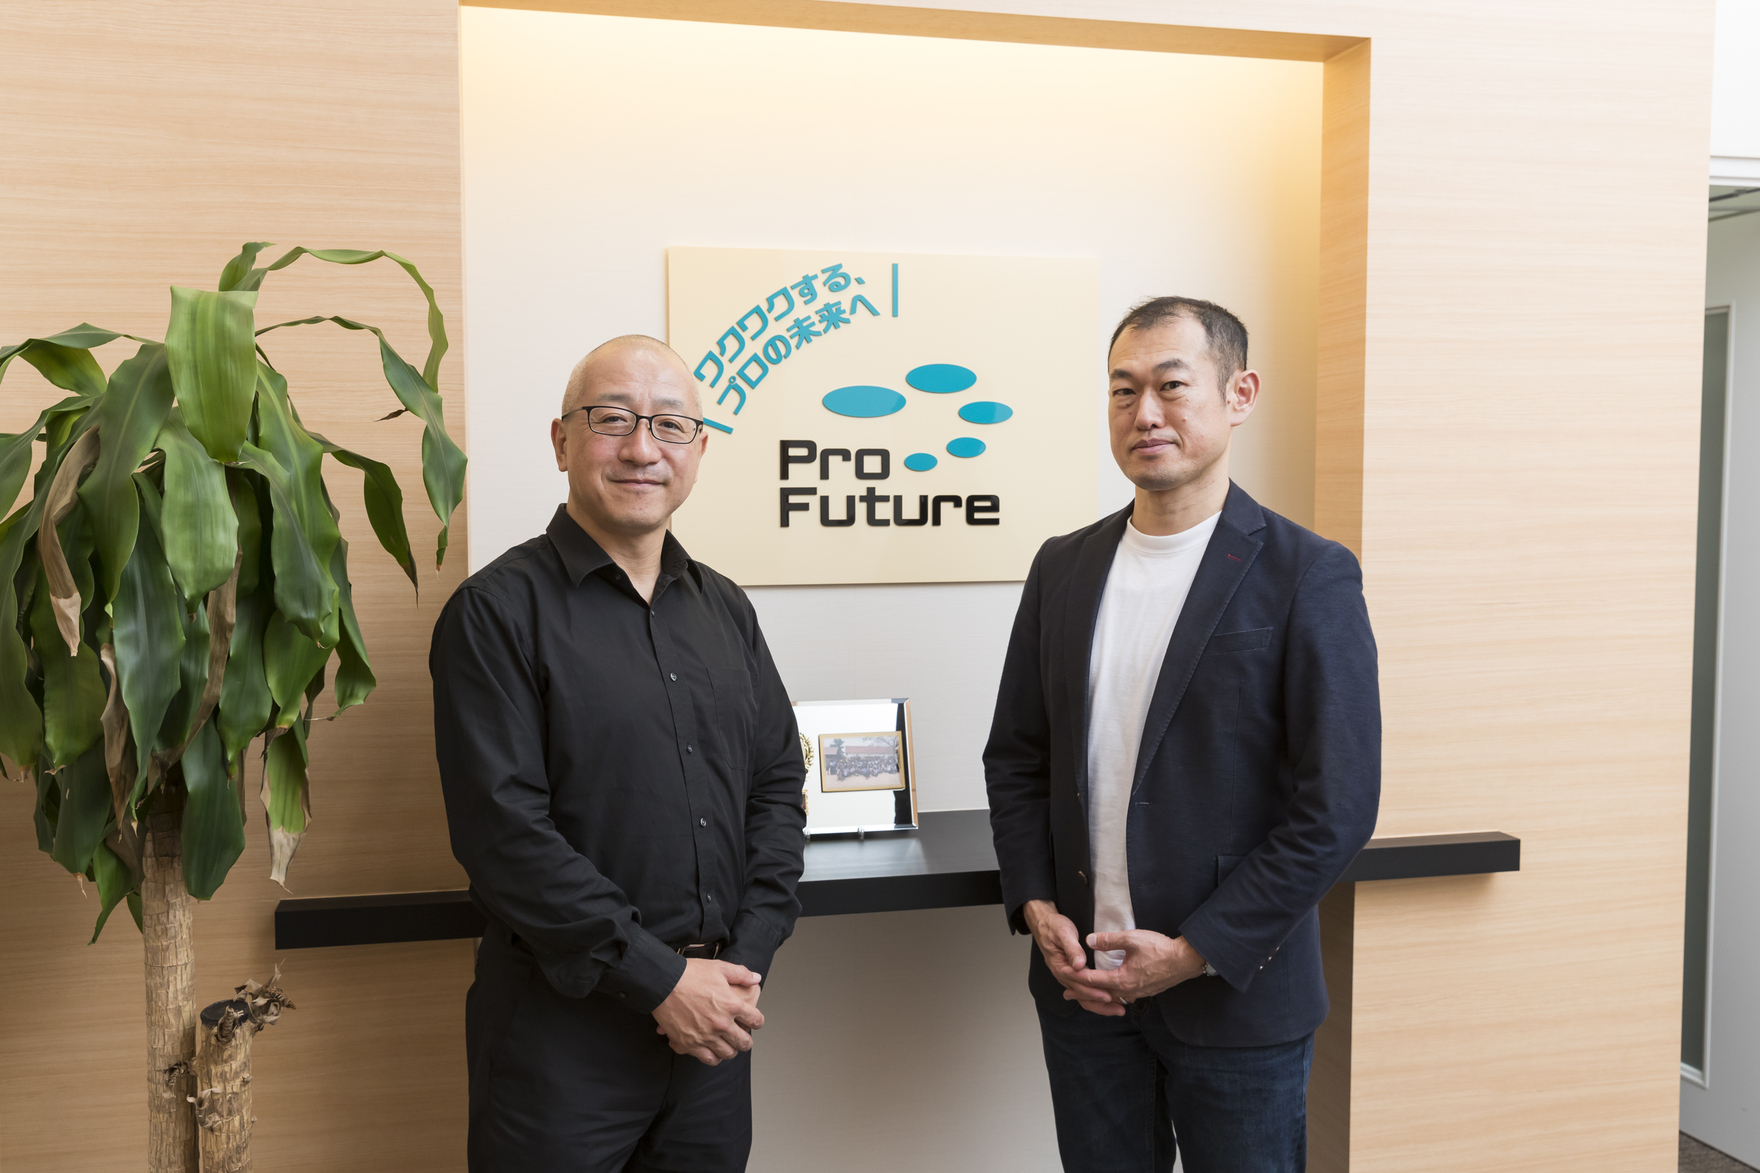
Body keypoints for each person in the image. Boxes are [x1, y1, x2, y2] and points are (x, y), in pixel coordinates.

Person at [984, 298, 1381, 1173]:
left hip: (1237, 998)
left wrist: (1194, 952)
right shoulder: (1062, 566)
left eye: (1171, 386)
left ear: (1240, 394)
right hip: (1085, 995)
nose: (1145, 413)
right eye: (1123, 391)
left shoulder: (1308, 573)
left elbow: (1338, 805)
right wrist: (1037, 905)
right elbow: (1017, 756)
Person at [430, 335, 807, 1172]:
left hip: (715, 1031)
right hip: (561, 1036)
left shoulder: (726, 610)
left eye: (670, 424)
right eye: (612, 419)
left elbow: (778, 786)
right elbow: (504, 835)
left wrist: (743, 962)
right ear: (562, 441)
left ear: (699, 450)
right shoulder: (494, 613)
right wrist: (661, 979)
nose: (642, 449)